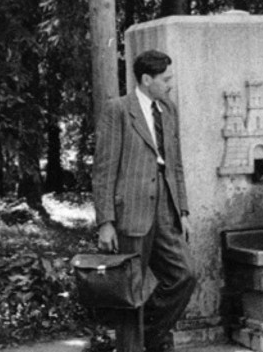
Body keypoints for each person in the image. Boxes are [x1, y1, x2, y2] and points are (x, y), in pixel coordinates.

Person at [93, 49, 196, 352]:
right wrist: (106, 222)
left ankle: (150, 334)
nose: (170, 84)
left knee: (185, 274)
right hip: (131, 211)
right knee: (130, 288)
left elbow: (175, 164)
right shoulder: (118, 110)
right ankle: (131, 346)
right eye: (166, 79)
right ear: (146, 79)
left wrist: (184, 211)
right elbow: (104, 169)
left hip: (166, 208)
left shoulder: (169, 110)